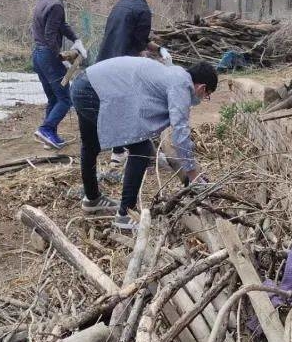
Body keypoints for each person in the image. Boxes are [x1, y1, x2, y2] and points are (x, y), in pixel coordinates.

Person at [70, 56, 216, 231]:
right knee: (141, 148)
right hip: (94, 90)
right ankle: (125, 215)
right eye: (206, 96)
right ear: (202, 87)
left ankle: (92, 199)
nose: (202, 99)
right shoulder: (181, 85)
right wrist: (192, 174)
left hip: (83, 83)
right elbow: (180, 132)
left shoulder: (173, 74)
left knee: (90, 145)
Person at [95, 0, 172, 166]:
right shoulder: (143, 9)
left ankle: (118, 151)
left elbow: (136, 38)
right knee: (133, 106)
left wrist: (158, 48)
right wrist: (152, 58)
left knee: (115, 106)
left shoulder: (122, 3)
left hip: (105, 62)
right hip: (122, 66)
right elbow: (140, 44)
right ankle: (140, 153)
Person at [31, 0, 86, 149]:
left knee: (54, 98)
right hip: (48, 56)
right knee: (65, 99)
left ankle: (49, 137)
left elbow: (61, 25)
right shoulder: (56, 5)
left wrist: (76, 39)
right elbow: (50, 35)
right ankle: (46, 129)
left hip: (38, 55)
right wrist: (59, 57)